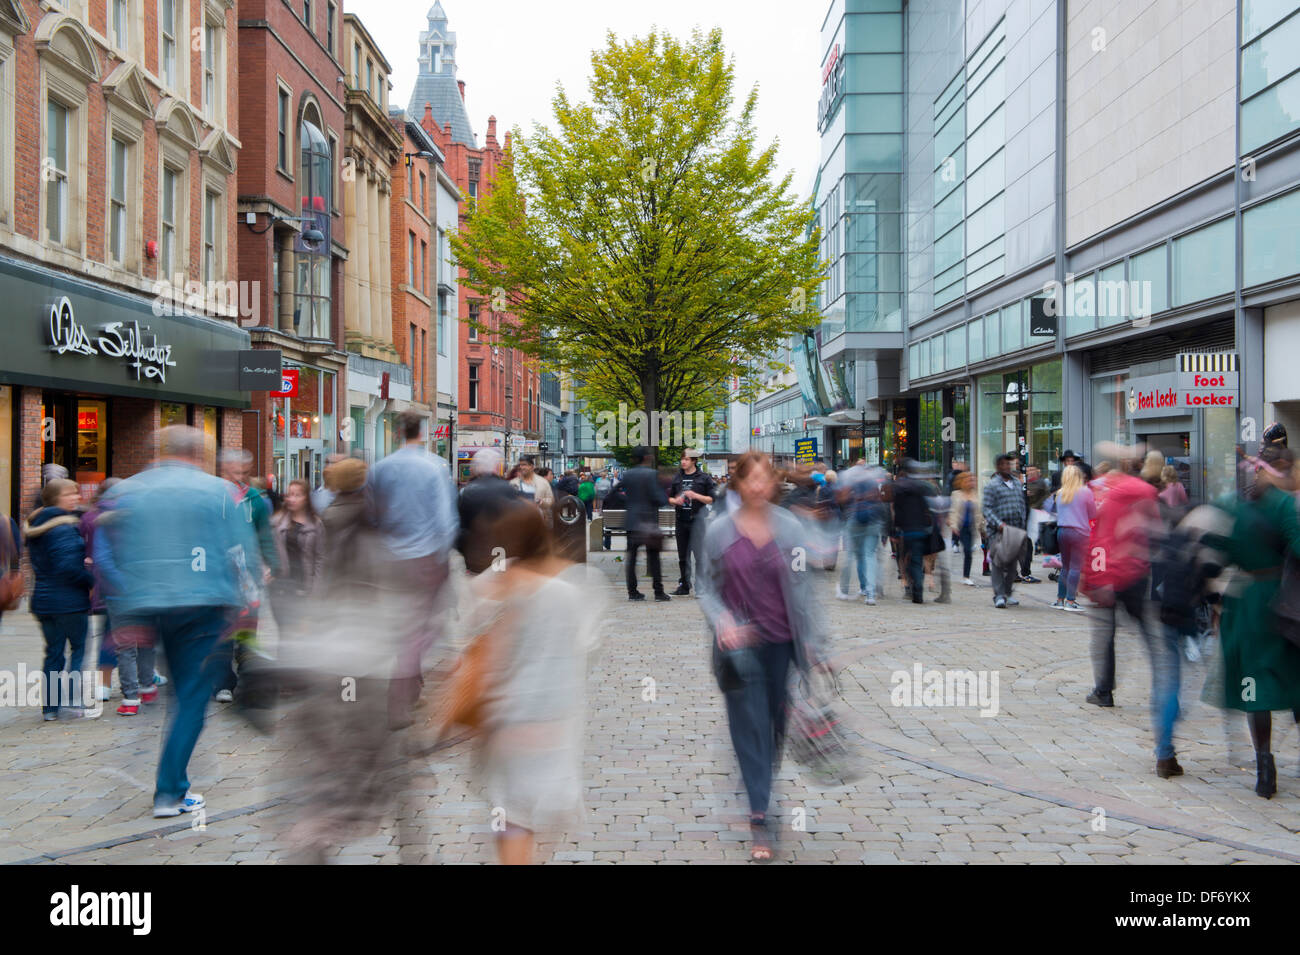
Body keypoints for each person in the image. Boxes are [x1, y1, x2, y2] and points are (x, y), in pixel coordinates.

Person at [96, 426, 259, 816]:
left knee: (175, 692)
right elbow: (239, 552)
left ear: (158, 451)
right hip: (204, 606)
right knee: (189, 699)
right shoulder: (219, 492)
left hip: (148, 604)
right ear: (199, 453)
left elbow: (118, 554)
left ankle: (171, 785)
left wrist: (128, 612)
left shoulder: (128, 491)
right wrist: (250, 604)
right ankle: (170, 790)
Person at [696, 452, 829, 862]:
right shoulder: (718, 530)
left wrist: (815, 643)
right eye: (748, 479)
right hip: (738, 650)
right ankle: (760, 817)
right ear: (738, 483)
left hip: (782, 644)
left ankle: (761, 792)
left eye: (763, 479)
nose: (756, 486)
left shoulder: (790, 527)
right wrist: (722, 621)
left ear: (773, 484)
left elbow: (804, 589)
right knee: (746, 727)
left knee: (772, 728)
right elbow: (705, 587)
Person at [466, 499, 606, 864]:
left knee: (510, 813)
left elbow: (475, 649)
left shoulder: (492, 586)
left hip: (506, 718)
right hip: (555, 720)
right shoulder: (577, 585)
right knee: (539, 815)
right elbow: (589, 647)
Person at [1204, 445, 1300, 798]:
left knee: (1252, 687)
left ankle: (1264, 766)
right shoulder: (1284, 505)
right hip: (1283, 601)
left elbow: (1217, 551)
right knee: (1294, 678)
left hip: (1244, 603)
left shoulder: (1232, 505)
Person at [367, 411, 459, 730]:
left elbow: (372, 517)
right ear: (423, 433)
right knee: (420, 630)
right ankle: (399, 699)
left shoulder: (380, 469)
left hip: (391, 560)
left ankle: (410, 684)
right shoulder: (435, 467)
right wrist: (442, 559)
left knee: (402, 625)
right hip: (424, 559)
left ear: (396, 433)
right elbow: (445, 520)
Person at [1083, 444, 1160, 710]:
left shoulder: (1099, 493)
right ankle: (1165, 685)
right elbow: (1155, 532)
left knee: (1104, 636)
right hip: (1136, 572)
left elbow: (1098, 538)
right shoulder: (1145, 491)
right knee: (1149, 632)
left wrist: (1099, 576)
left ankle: (1104, 690)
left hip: (1108, 575)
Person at [212, 449, 279, 704]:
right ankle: (223, 683)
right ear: (222, 470)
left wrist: (270, 565)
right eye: (232, 468)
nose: (237, 473)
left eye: (242, 469)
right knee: (222, 629)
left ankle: (249, 679)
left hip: (249, 574)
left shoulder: (255, 499)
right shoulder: (214, 497)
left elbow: (265, 535)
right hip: (221, 574)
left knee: (248, 628)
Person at [25, 479, 96, 720]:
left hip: (43, 600)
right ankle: (73, 701)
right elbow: (66, 567)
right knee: (77, 650)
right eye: (70, 494)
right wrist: (89, 579)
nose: (76, 498)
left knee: (53, 653)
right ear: (56, 499)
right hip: (69, 601)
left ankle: (50, 708)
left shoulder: (37, 524)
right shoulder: (63, 527)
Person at [268, 479, 325, 638]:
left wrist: (316, 589)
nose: (291, 499)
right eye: (289, 495)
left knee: (301, 634)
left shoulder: (316, 524)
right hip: (281, 586)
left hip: (303, 586)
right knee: (285, 633)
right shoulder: (276, 522)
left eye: (297, 495)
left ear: (306, 498)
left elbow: (320, 558)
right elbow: (266, 550)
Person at [457, 448, 522, 574]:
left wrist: (464, 550)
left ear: (475, 468)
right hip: (501, 556)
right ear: (496, 468)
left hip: (474, 558)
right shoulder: (508, 489)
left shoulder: (466, 491)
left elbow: (459, 527)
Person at [836, 453, 887, 605]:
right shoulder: (873, 477)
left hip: (854, 520)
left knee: (852, 555)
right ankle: (870, 593)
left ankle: (845, 590)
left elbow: (842, 499)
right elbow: (880, 499)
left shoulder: (849, 477)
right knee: (869, 555)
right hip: (872, 520)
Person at [1043, 464, 1095, 612]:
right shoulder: (1086, 492)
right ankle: (1071, 601)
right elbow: (1092, 514)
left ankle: (1060, 599)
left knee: (1065, 567)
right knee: (1075, 567)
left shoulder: (1059, 493)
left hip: (1062, 532)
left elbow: (1049, 509)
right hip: (1080, 533)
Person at [621, 446, 670, 601]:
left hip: (632, 522)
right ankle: (658, 592)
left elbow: (618, 492)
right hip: (648, 522)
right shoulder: (652, 475)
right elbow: (660, 499)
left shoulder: (627, 474)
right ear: (646, 458)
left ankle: (633, 592)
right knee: (653, 558)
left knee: (632, 558)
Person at [982, 453, 1029, 609]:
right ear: (997, 466)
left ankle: (1007, 593)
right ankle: (999, 595)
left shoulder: (1016, 483)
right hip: (999, 530)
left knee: (1012, 564)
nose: (1007, 467)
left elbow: (1022, 505)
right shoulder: (992, 485)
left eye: (1009, 464)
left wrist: (1023, 525)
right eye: (1003, 464)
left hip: (1015, 529)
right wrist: (998, 523)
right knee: (998, 562)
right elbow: (986, 508)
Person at [668, 449, 715, 596]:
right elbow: (668, 498)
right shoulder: (677, 478)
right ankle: (684, 585)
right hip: (681, 520)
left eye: (686, 459)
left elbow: (712, 498)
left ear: (694, 461)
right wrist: (675, 501)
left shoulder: (704, 478)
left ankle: (700, 587)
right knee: (683, 556)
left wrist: (695, 496)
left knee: (700, 556)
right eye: (682, 459)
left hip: (698, 521)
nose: (683, 462)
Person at [892, 460, 935, 604]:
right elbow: (927, 507)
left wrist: (895, 530)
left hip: (907, 529)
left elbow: (897, 511)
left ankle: (912, 588)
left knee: (906, 559)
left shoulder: (900, 489)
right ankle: (918, 590)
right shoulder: (920, 487)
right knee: (916, 560)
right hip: (920, 528)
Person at [948, 471, 983, 586]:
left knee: (968, 552)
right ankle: (966, 576)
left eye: (973, 480)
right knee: (967, 550)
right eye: (969, 480)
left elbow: (979, 513)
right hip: (961, 527)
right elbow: (953, 511)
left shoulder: (975, 494)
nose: (971, 482)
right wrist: (953, 525)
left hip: (972, 527)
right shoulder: (956, 494)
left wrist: (982, 527)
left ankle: (966, 576)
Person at [1020, 465, 1050, 583]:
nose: (1030, 472)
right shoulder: (1023, 485)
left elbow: (1036, 493)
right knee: (1026, 545)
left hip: (1035, 514)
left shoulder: (1039, 483)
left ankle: (1024, 572)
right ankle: (1025, 573)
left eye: (1032, 470)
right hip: (1026, 517)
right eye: (1028, 471)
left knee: (1028, 544)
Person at [509, 456, 554, 521]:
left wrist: (542, 502)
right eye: (520, 465)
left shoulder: (542, 482)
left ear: (531, 466)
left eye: (524, 465)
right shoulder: (513, 483)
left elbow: (550, 500)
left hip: (537, 520)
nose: (521, 467)